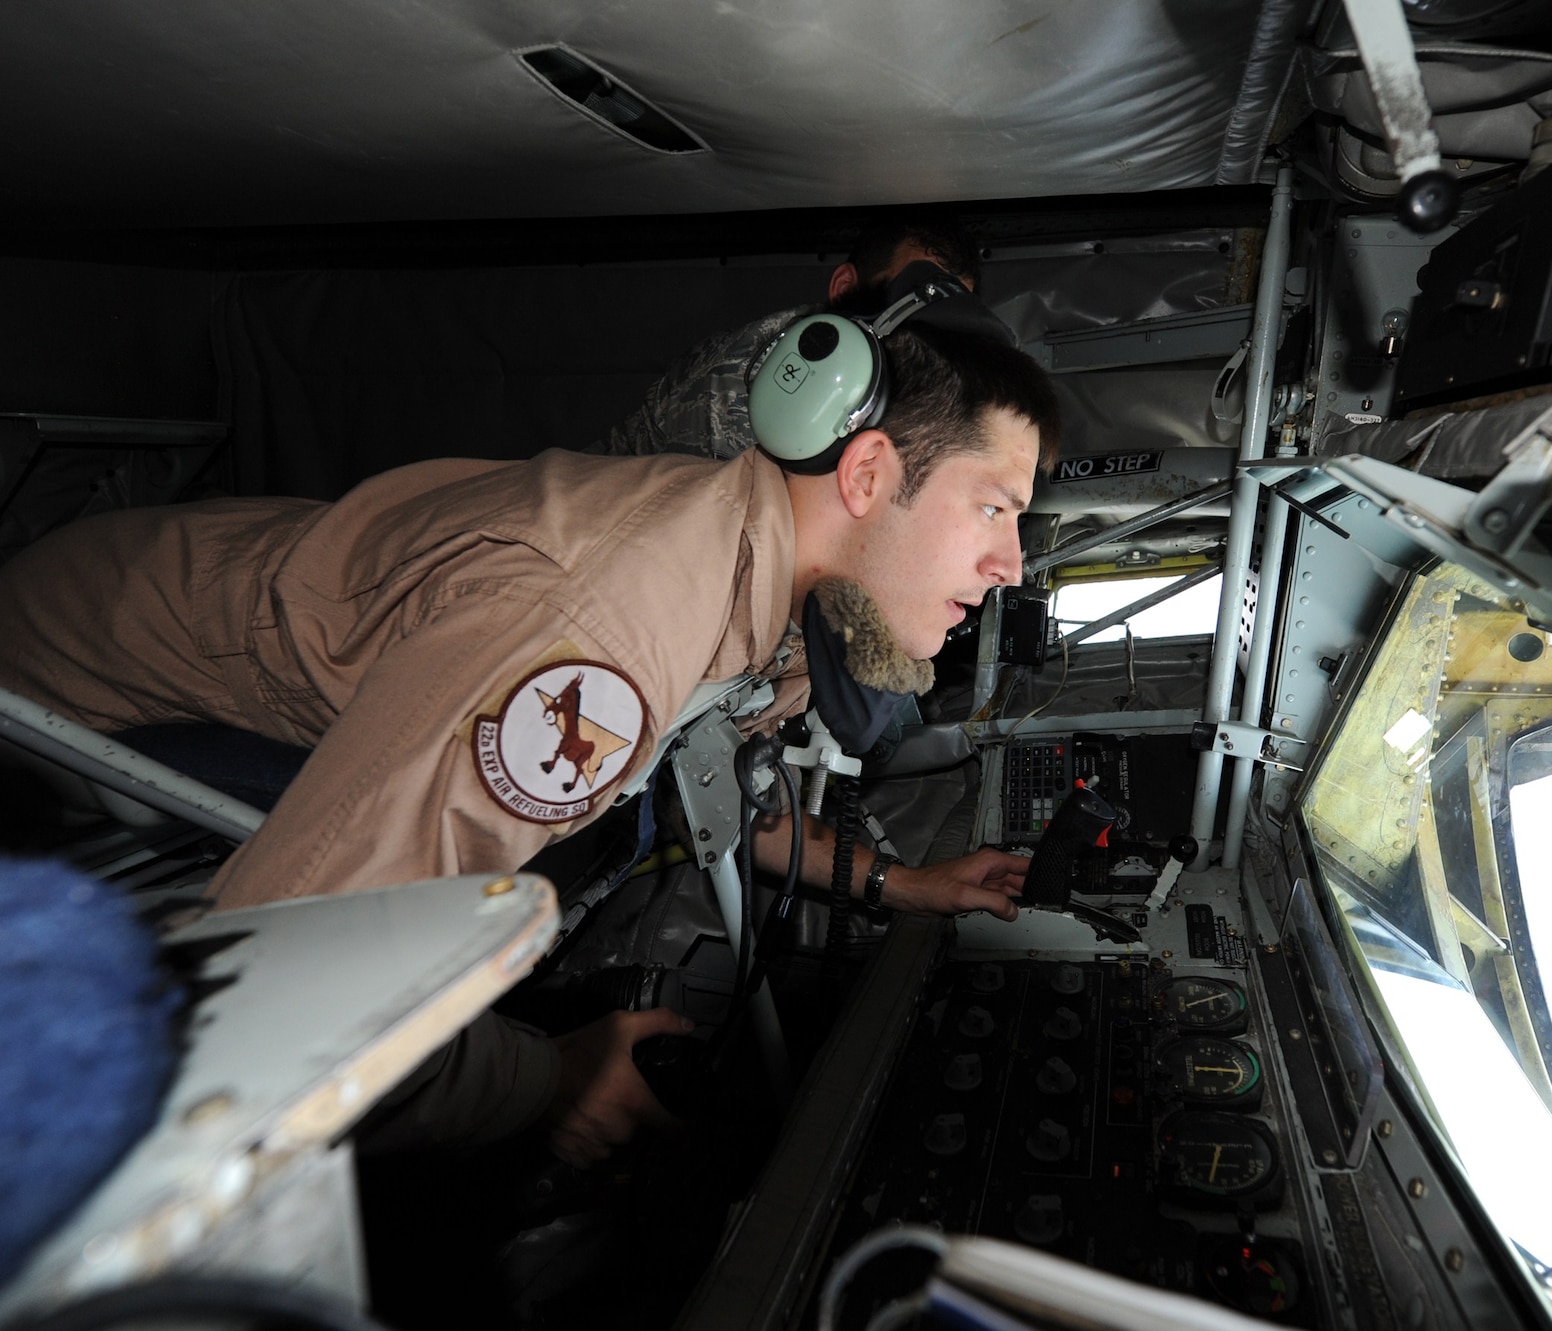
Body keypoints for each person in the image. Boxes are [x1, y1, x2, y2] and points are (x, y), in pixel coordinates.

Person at [0, 320, 1059, 1167]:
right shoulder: (614, 627)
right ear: (867, 475)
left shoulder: (777, 597)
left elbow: (718, 788)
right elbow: (279, 982)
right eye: (993, 507)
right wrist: (548, 1079)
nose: (1011, 562)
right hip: (64, 673)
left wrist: (904, 884)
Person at [587, 215, 982, 461]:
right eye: (905, 301)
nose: (921, 332)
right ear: (845, 289)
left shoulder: (878, 381)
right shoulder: (754, 379)